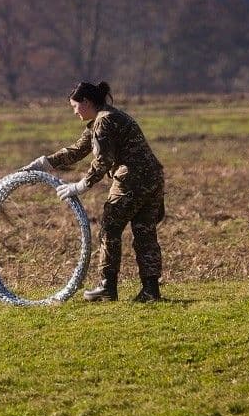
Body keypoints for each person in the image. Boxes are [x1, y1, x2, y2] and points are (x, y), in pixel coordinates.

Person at [22, 82, 165, 302]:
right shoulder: (108, 117)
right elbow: (77, 150)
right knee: (145, 233)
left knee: (109, 230)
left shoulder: (104, 121)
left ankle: (107, 287)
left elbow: (103, 161)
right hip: (153, 179)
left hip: (132, 180)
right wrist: (41, 164)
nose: (74, 111)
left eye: (74, 106)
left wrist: (79, 187)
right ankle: (150, 290)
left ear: (86, 102)